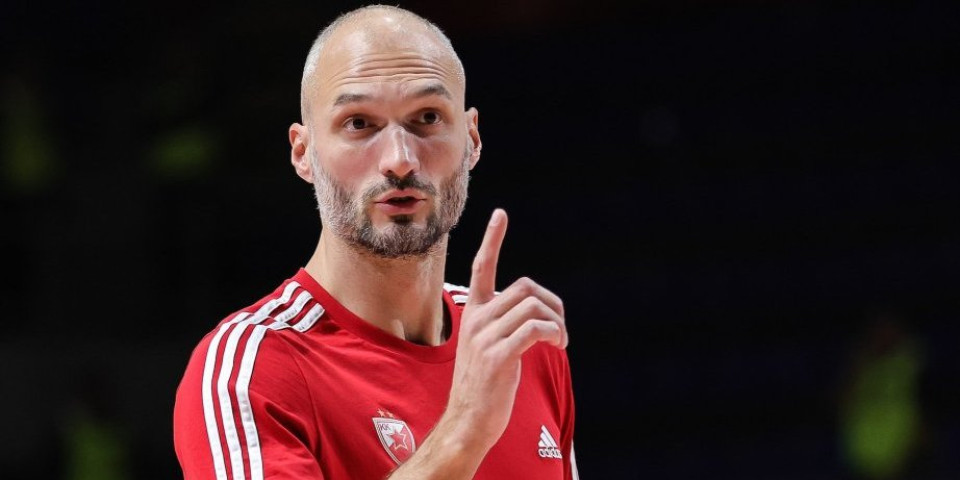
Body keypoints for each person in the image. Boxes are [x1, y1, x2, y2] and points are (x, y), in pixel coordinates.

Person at [173, 5, 577, 479]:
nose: (400, 160)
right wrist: (463, 431)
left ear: (472, 139)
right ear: (303, 153)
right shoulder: (252, 368)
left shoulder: (516, 344)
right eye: (359, 124)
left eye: (428, 117)